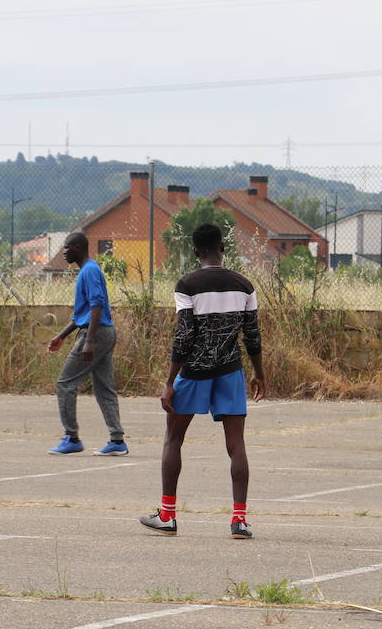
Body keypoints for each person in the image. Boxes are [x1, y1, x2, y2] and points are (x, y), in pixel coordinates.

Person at [141, 223, 265, 539]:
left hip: (194, 372)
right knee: (236, 446)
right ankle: (239, 521)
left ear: (197, 250)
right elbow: (252, 337)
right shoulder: (245, 286)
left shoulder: (187, 285)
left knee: (173, 439)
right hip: (230, 371)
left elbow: (185, 336)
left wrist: (170, 380)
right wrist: (259, 374)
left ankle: (167, 515)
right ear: (222, 247)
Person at [46, 232, 127, 455]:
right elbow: (81, 314)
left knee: (65, 383)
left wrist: (89, 340)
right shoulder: (87, 271)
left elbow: (96, 305)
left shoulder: (90, 270)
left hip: (97, 334)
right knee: (104, 388)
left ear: (78, 248)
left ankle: (71, 438)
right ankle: (117, 441)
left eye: (67, 248)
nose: (63, 252)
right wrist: (61, 336)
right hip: (103, 332)